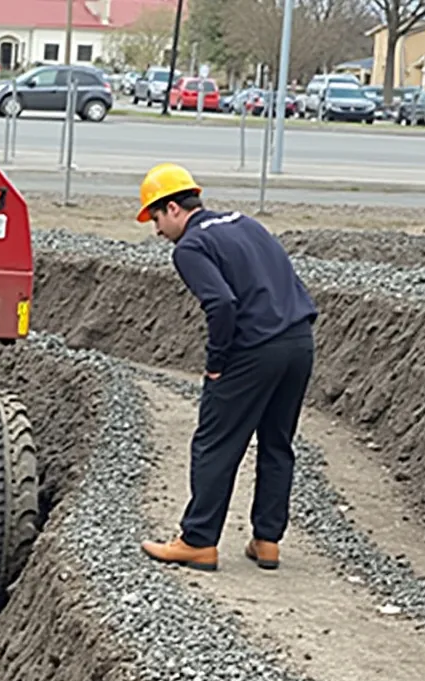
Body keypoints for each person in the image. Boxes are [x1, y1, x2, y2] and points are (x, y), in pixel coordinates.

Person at [136, 163, 318, 572]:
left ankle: (198, 541)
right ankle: (267, 540)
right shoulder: (245, 223)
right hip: (299, 341)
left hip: (254, 350)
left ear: (173, 209)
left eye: (156, 218)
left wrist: (217, 362)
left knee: (215, 443)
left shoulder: (190, 247)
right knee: (277, 442)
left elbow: (220, 304)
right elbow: (285, 276)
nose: (157, 231)